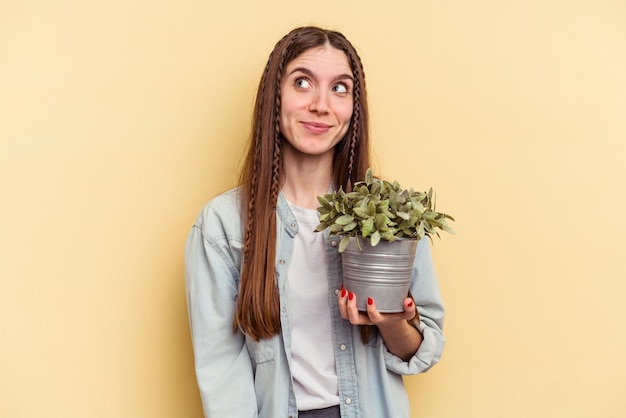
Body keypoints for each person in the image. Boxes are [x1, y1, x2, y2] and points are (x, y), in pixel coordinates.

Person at [185, 26, 445, 418]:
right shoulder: (223, 226)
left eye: (340, 88)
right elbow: (221, 369)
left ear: (353, 108)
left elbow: (422, 348)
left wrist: (392, 321)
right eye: (303, 83)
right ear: (275, 96)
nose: (321, 105)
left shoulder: (389, 216)